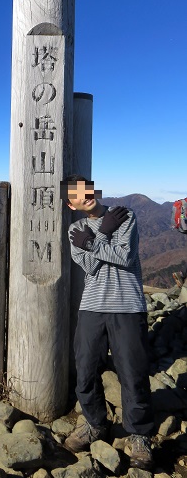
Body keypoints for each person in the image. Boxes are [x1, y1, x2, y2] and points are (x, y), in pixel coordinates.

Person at [61, 175, 154, 471]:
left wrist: (94, 241)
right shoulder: (75, 228)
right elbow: (89, 265)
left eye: (86, 189)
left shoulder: (124, 216)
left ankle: (138, 434)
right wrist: (100, 237)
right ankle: (95, 423)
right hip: (92, 307)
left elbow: (125, 257)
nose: (84, 195)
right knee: (86, 369)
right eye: (76, 194)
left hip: (127, 306)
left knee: (133, 372)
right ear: (70, 203)